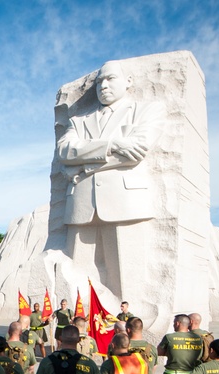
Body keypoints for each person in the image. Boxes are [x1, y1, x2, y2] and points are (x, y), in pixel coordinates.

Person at [57, 59, 166, 301]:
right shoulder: (79, 121)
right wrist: (113, 144)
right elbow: (65, 151)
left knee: (129, 282)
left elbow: (137, 152)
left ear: (128, 81)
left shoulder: (146, 110)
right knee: (77, 284)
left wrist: (84, 166)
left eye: (110, 79)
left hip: (125, 202)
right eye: (99, 82)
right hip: (82, 205)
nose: (103, 86)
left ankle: (130, 328)